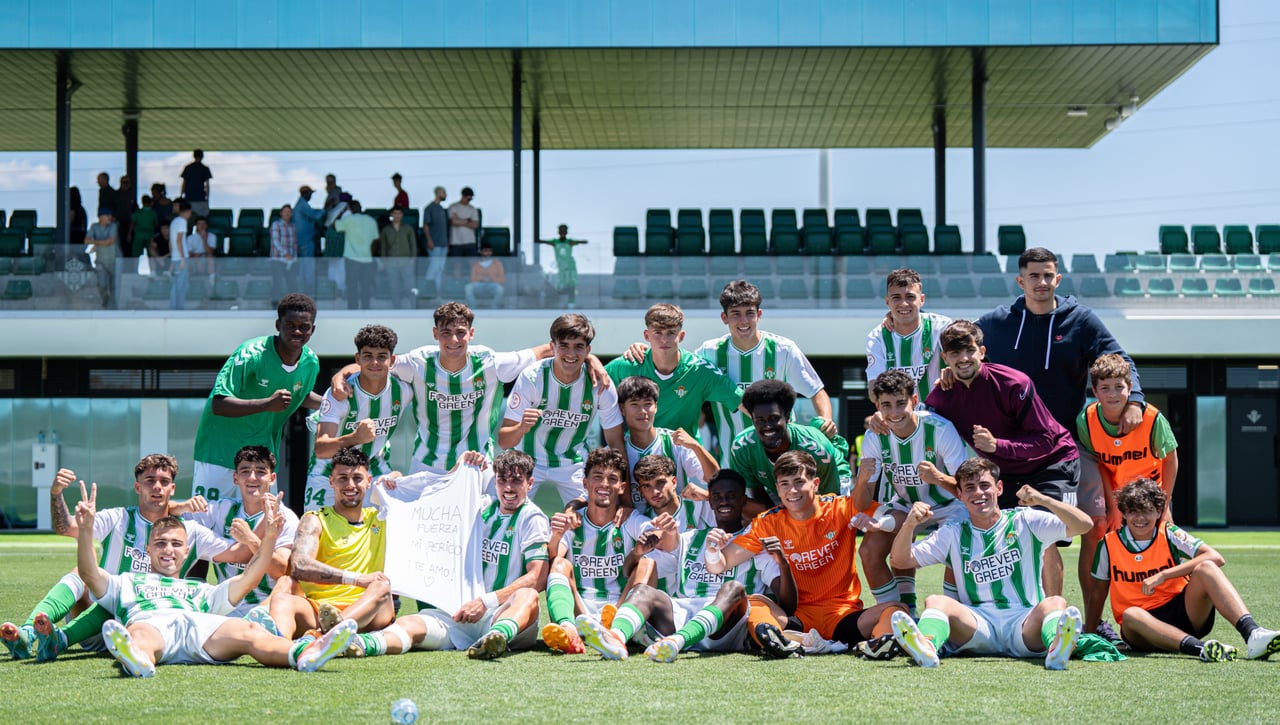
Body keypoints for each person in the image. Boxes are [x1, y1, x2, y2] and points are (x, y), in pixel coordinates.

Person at [976, 247, 1147, 622]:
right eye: (1033, 276)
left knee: (1093, 525)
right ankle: (1001, 617)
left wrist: (1134, 398)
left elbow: (1121, 358)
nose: (1041, 282)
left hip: (1062, 448)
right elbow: (957, 348)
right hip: (1006, 450)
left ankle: (1088, 622)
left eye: (1048, 275)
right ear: (1020, 281)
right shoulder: (995, 322)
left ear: (1058, 279)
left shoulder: (1080, 320)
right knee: (992, 532)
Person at [68, 480, 353, 677]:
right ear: (148, 549)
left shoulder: (202, 589)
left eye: (176, 544)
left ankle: (305, 655)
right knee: (140, 635)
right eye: (161, 544)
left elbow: (249, 579)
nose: (169, 550)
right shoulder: (127, 581)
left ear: (188, 550)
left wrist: (269, 538)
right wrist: (85, 531)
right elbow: (90, 573)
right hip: (152, 623)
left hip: (200, 628)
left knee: (250, 631)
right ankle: (138, 660)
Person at [2, 455, 238, 661]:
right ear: (137, 487)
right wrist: (55, 495)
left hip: (150, 628)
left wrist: (261, 533)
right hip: (97, 625)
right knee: (83, 573)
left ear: (172, 489)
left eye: (164, 482)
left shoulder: (190, 531)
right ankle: (27, 634)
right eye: (150, 481)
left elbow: (237, 553)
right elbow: (66, 527)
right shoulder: (118, 519)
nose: (157, 487)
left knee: (125, 597)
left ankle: (60, 639)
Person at [888, 457, 1091, 670]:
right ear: (960, 495)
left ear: (999, 488)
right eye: (969, 488)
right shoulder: (952, 533)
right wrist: (909, 524)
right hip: (978, 624)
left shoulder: (1025, 520)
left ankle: (1056, 649)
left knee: (1055, 603)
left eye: (985, 485)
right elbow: (900, 560)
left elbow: (1084, 525)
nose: (978, 493)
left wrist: (1044, 500)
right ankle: (926, 647)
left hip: (1024, 622)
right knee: (936, 601)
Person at [925, 320, 1079, 596]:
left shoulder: (1014, 383)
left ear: (982, 352)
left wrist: (998, 446)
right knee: (994, 535)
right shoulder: (940, 396)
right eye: (954, 353)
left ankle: (1054, 618)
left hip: (1052, 462)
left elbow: (1045, 440)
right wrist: (880, 419)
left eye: (968, 351)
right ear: (945, 358)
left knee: (1044, 536)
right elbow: (916, 425)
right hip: (1003, 473)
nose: (963, 359)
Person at [706, 451, 907, 656]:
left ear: (816, 483)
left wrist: (880, 522)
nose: (792, 490)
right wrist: (713, 550)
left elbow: (901, 517)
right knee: (755, 603)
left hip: (843, 616)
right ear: (777, 488)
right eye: (784, 484)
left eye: (799, 481)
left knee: (896, 611)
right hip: (797, 618)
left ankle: (877, 644)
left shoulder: (840, 507)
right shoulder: (767, 523)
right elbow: (719, 564)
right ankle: (781, 642)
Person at [328, 301, 560, 475]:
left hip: (478, 463)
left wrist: (591, 361)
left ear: (471, 333)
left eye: (461, 333)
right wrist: (343, 373)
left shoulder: (491, 362)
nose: (454, 340)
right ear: (435, 334)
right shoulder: (418, 361)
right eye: (446, 333)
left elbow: (546, 350)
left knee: (480, 531)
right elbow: (376, 364)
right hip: (426, 464)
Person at [362, 450, 551, 660]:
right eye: (502, 480)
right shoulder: (482, 506)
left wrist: (485, 602)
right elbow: (438, 494)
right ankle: (359, 644)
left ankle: (496, 637)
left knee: (528, 595)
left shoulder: (532, 517)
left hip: (501, 614)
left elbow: (537, 578)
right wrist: (395, 481)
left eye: (516, 481)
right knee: (410, 624)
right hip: (461, 613)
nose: (508, 488)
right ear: (495, 480)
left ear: (530, 483)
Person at [1086, 478, 1280, 662]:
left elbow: (1215, 557)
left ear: (1159, 511)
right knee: (1131, 614)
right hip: (1141, 629)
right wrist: (1090, 634)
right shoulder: (1108, 544)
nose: (1140, 518)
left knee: (1206, 567)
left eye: (1147, 510)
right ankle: (1202, 649)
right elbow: (1098, 592)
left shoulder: (1169, 532)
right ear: (1124, 513)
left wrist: (1163, 575)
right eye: (1133, 511)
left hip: (1183, 613)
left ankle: (1253, 634)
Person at [632, 469, 796, 662]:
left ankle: (675, 642)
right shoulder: (689, 538)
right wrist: (638, 551)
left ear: (744, 501)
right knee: (643, 591)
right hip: (682, 617)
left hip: (725, 629)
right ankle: (616, 637)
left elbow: (788, 605)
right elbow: (632, 568)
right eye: (717, 496)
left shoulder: (755, 545)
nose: (724, 502)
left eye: (731, 496)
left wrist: (783, 563)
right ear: (710, 502)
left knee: (734, 588)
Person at [852, 369, 969, 616]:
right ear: (877, 405)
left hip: (949, 504)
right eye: (886, 405)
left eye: (900, 403)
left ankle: (952, 612)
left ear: (914, 401)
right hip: (906, 505)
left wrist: (938, 477)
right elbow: (861, 503)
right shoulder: (875, 435)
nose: (894, 412)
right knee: (869, 551)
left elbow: (967, 488)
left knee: (961, 544)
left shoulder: (940, 429)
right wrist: (862, 480)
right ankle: (900, 612)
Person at [1076, 354, 1180, 630]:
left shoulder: (1151, 417)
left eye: (1119, 387)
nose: (1113, 394)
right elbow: (1099, 465)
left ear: (1130, 386)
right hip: (1117, 497)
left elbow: (1171, 459)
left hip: (1152, 498)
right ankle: (1094, 620)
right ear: (1094, 391)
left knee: (1162, 549)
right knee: (1099, 541)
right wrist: (1111, 507)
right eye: (1105, 388)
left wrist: (1165, 504)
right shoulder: (1086, 420)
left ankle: (1166, 616)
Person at [191, 294, 322, 502]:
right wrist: (267, 404)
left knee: (263, 526)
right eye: (290, 325)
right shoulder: (251, 353)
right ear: (278, 325)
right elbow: (219, 403)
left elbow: (301, 395)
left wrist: (334, 403)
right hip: (219, 453)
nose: (297, 331)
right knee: (206, 524)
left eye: (304, 327)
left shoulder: (311, 362)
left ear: (312, 329)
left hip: (261, 460)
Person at [695, 280, 833, 464]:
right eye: (736, 314)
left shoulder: (783, 350)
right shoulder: (708, 352)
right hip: (733, 463)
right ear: (724, 318)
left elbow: (816, 391)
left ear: (759, 315)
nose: (743, 321)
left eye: (749, 313)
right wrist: (643, 348)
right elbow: (679, 368)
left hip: (782, 462)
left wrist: (826, 420)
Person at [266, 448, 395, 639]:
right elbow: (299, 566)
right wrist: (357, 579)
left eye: (357, 478)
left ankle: (323, 638)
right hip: (321, 612)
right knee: (284, 593)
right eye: (342, 478)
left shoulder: (383, 518)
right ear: (331, 482)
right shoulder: (315, 519)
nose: (350, 485)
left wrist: (397, 480)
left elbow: (419, 500)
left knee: (381, 586)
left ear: (369, 481)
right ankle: (281, 648)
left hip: (371, 611)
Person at [498, 314, 625, 504]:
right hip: (527, 459)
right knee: (504, 509)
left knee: (597, 513)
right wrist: (521, 428)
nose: (571, 354)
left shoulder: (600, 384)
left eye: (578, 347)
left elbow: (615, 441)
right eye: (564, 345)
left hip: (572, 463)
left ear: (588, 350)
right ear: (552, 347)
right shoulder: (532, 377)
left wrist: (625, 499)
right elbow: (504, 440)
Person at [540, 448, 649, 653]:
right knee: (559, 563)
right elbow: (552, 558)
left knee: (646, 564)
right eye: (597, 477)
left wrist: (654, 537)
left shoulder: (630, 519)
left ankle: (617, 628)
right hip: (578, 609)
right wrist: (556, 534)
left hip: (616, 608)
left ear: (622, 487)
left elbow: (657, 533)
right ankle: (569, 629)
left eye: (612, 479)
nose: (604, 484)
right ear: (585, 483)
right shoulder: (574, 520)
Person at [179, 446, 301, 616]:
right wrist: (181, 506)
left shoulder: (285, 517)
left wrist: (250, 539)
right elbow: (169, 518)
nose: (252, 477)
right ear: (235, 478)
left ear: (272, 478)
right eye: (245, 471)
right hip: (226, 606)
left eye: (260, 471)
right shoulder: (221, 510)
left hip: (266, 607)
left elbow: (282, 571)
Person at [304, 324, 413, 512]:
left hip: (375, 470)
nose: (375, 363)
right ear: (358, 358)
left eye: (382, 356)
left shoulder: (404, 390)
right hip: (328, 472)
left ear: (392, 360)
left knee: (388, 532)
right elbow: (321, 449)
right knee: (314, 533)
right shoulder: (340, 393)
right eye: (368, 356)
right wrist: (355, 438)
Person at [605, 303, 743, 439]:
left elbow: (743, 402)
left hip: (685, 455)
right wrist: (591, 360)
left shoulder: (699, 370)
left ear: (681, 336)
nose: (664, 339)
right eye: (658, 333)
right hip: (640, 455)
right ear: (647, 336)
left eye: (671, 333)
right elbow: (589, 379)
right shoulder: (627, 365)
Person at [729, 380, 851, 515]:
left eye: (774, 418)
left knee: (835, 520)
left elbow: (831, 497)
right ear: (752, 420)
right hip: (779, 487)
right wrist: (781, 522)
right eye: (760, 420)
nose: (768, 426)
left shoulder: (817, 448)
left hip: (829, 482)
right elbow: (757, 492)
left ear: (786, 417)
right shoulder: (742, 447)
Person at [617, 375, 716, 507]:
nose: (642, 411)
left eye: (648, 404)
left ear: (656, 407)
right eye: (634, 404)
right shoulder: (617, 450)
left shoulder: (675, 442)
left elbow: (714, 478)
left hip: (678, 525)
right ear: (622, 408)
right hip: (633, 526)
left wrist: (696, 446)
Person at [866, 268, 952, 404]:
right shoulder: (877, 337)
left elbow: (966, 353)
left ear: (922, 299)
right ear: (887, 301)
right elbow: (874, 390)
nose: (904, 304)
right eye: (896, 298)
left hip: (940, 418)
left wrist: (953, 369)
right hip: (899, 419)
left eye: (910, 297)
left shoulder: (941, 327)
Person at [334, 200, 378, 310]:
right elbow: (376, 240)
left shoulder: (348, 219)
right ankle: (365, 309)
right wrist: (371, 254)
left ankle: (352, 309)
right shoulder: (370, 221)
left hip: (351, 259)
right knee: (365, 287)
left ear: (350, 209)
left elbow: (334, 225)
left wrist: (342, 212)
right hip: (367, 259)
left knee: (352, 286)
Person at [537, 223, 588, 307]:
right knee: (560, 286)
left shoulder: (569, 242)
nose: (563, 233)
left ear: (567, 232)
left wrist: (577, 242)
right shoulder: (555, 242)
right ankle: (558, 303)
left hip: (570, 267)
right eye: (561, 231)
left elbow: (585, 242)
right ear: (558, 232)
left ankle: (571, 304)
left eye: (564, 231)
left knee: (572, 285)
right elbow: (541, 241)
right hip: (561, 268)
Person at [377, 205, 417, 308]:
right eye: (395, 213)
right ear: (391, 214)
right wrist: (384, 261)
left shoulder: (408, 228)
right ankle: (396, 307)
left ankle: (413, 306)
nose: (397, 215)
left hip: (406, 262)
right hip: (391, 263)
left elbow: (413, 244)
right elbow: (384, 247)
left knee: (410, 286)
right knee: (394, 286)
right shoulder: (386, 230)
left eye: (399, 213)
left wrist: (413, 259)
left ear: (402, 215)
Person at [85, 208, 118, 308]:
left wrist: (96, 243)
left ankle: (114, 304)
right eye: (107, 215)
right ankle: (105, 300)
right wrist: (101, 243)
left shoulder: (113, 226)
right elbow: (86, 240)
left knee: (114, 285)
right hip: (100, 260)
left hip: (113, 260)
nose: (109, 218)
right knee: (101, 284)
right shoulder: (94, 226)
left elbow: (110, 241)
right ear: (100, 217)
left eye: (110, 215)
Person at [293, 185, 323, 293]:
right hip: (305, 241)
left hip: (304, 241)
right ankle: (308, 292)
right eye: (310, 194)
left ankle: (305, 291)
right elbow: (316, 216)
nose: (311, 196)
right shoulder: (302, 204)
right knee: (307, 269)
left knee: (304, 268)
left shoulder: (301, 204)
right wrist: (325, 210)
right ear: (305, 193)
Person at [423, 185, 449, 292]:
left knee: (440, 269)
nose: (445, 195)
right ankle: (427, 290)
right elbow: (426, 225)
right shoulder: (429, 208)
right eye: (443, 192)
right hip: (434, 244)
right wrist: (429, 240)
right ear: (438, 193)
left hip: (443, 244)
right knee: (433, 267)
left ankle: (437, 293)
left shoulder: (442, 209)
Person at [269, 205, 297, 301]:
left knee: (291, 283)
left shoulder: (292, 226)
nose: (287, 214)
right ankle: (275, 303)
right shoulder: (276, 225)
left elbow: (294, 243)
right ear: (281, 213)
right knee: (277, 282)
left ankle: (291, 304)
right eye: (285, 212)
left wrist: (294, 257)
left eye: (289, 212)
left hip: (290, 261)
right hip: (278, 259)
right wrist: (285, 253)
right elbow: (275, 241)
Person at [168, 199, 192, 310]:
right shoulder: (182, 222)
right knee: (180, 285)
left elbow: (171, 242)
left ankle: (175, 307)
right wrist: (182, 258)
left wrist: (174, 257)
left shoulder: (174, 221)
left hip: (175, 257)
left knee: (178, 284)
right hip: (180, 257)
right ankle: (178, 308)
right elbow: (178, 240)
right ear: (187, 211)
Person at [465, 241, 505, 307]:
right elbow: (472, 279)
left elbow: (502, 280)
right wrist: (482, 278)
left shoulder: (498, 263)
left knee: (500, 289)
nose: (488, 253)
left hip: (492, 285)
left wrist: (491, 278)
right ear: (481, 252)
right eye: (485, 250)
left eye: (490, 251)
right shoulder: (476, 264)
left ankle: (494, 309)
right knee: (468, 288)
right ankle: (473, 309)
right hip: (479, 285)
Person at [448, 186, 480, 259]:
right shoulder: (453, 207)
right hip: (456, 242)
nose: (469, 201)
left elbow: (475, 225)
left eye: (470, 199)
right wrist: (468, 220)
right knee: (456, 265)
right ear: (462, 196)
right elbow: (453, 222)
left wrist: (459, 220)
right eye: (468, 199)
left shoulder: (473, 209)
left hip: (470, 241)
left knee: (472, 263)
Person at [180, 149, 213, 217]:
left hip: (189, 197)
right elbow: (207, 185)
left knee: (189, 220)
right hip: (200, 198)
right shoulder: (204, 168)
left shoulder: (188, 167)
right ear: (202, 156)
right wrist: (207, 198)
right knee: (202, 219)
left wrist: (181, 195)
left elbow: (184, 183)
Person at [129, 194, 156, 262]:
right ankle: (152, 271)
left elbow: (132, 223)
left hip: (139, 235)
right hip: (149, 235)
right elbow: (156, 224)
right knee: (151, 255)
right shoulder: (153, 213)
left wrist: (129, 234)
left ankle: (135, 271)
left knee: (136, 256)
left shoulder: (138, 212)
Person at [190, 215, 217, 280]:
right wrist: (197, 260)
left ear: (206, 225)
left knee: (210, 256)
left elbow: (210, 252)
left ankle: (212, 279)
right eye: (199, 224)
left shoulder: (212, 236)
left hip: (206, 258)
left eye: (203, 224)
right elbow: (189, 253)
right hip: (194, 259)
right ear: (196, 226)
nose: (201, 226)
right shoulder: (190, 238)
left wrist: (204, 240)